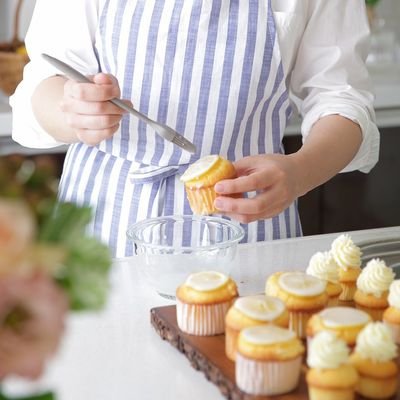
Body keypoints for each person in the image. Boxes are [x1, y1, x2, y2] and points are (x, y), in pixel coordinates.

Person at [11, 0, 380, 258]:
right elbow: (43, 81)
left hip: (250, 231)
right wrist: (72, 110)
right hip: (102, 229)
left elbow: (342, 99)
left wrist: (300, 172)